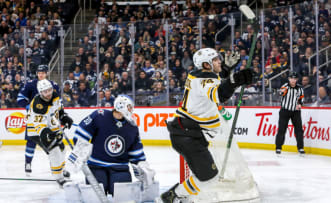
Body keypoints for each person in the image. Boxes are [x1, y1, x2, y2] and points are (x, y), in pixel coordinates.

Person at [160, 48, 254, 202]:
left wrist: (226, 70)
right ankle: (173, 195)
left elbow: (215, 79)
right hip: (188, 136)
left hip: (188, 133)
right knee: (209, 177)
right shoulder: (203, 80)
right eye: (216, 60)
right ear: (206, 64)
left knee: (205, 174)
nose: (220, 61)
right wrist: (234, 81)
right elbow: (218, 94)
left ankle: (179, 196)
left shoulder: (200, 75)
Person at [67, 95, 156, 196]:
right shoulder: (100, 116)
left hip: (120, 167)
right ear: (121, 106)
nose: (131, 111)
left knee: (123, 196)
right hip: (96, 165)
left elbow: (135, 151)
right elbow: (81, 133)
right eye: (129, 107)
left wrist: (142, 166)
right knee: (95, 195)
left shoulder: (132, 127)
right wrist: (81, 150)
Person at [26, 79, 73, 186]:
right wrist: (45, 133)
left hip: (51, 126)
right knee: (55, 150)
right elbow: (39, 125)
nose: (48, 94)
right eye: (45, 92)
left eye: (49, 90)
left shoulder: (55, 95)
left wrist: (64, 116)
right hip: (36, 131)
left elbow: (59, 109)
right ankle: (59, 177)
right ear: (40, 92)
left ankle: (61, 169)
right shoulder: (38, 105)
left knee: (61, 147)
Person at [17, 64, 60, 174]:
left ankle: (54, 165)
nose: (40, 75)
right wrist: (27, 107)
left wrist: (59, 114)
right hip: (33, 119)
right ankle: (28, 163)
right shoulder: (31, 85)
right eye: (39, 73)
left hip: (49, 120)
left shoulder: (53, 86)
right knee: (31, 141)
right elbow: (20, 99)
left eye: (43, 73)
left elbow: (58, 102)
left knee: (51, 142)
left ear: (47, 73)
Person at [275, 71, 305, 155]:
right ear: (289, 79)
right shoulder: (285, 86)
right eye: (292, 78)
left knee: (299, 130)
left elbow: (301, 98)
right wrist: (280, 92)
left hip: (295, 112)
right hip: (285, 111)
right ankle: (278, 147)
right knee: (281, 129)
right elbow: (280, 94)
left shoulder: (299, 89)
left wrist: (299, 104)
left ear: (297, 79)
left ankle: (300, 148)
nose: (293, 80)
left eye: (295, 79)